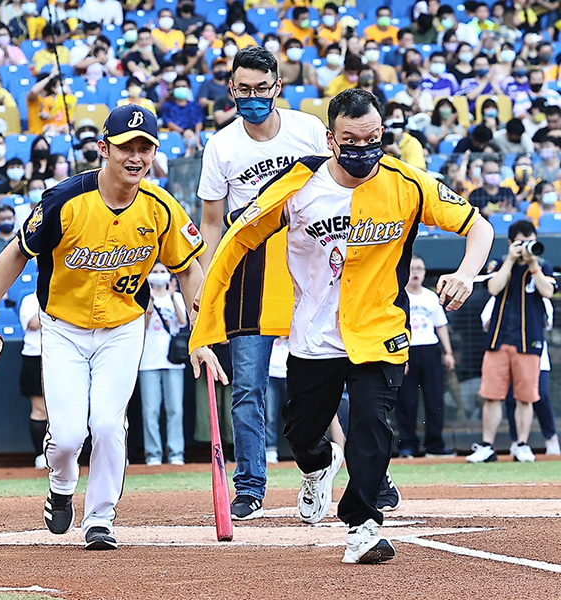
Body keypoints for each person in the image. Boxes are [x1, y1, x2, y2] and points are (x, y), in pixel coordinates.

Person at [190, 88, 493, 563]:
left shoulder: (408, 183)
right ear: (331, 139)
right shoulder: (296, 185)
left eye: (372, 139)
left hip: (379, 328)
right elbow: (237, 239)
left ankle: (362, 526)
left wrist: (466, 273)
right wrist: (208, 304)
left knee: (372, 422)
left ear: (383, 134)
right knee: (302, 433)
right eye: (351, 141)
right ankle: (318, 465)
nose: (363, 149)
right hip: (313, 334)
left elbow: (479, 227)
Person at [0, 105, 225, 550]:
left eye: (145, 148)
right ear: (104, 148)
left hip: (122, 327)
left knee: (106, 424)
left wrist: (200, 334)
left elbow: (188, 269)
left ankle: (100, 518)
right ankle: (61, 486)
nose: (135, 157)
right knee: (67, 437)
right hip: (63, 327)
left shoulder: (160, 207)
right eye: (125, 147)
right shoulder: (64, 199)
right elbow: (16, 252)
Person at [196, 46, 328, 521]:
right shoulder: (221, 146)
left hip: (310, 257)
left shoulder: (308, 129)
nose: (253, 97)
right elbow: (212, 221)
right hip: (250, 265)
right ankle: (250, 486)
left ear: (278, 87)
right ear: (231, 89)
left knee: (330, 375)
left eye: (261, 88)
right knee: (248, 386)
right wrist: (208, 280)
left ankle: (363, 472)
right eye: (244, 89)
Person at [467, 220, 556, 464]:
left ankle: (522, 444)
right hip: (499, 338)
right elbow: (493, 288)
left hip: (529, 341)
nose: (526, 246)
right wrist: (509, 260)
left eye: (531, 241)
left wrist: (533, 264)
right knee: (492, 395)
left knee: (525, 397)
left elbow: (548, 292)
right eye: (521, 243)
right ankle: (487, 446)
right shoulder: (498, 263)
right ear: (510, 242)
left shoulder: (543, 265)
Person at [481, 295, 560, 457]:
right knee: (511, 399)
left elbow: (546, 323)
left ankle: (550, 436)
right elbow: (487, 323)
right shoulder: (500, 295)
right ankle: (516, 440)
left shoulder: (540, 296)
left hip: (533, 353)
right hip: (505, 352)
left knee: (540, 396)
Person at [396, 255, 456, 458]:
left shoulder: (431, 297)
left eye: (419, 269)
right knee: (407, 400)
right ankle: (407, 445)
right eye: (412, 268)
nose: (416, 273)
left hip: (430, 350)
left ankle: (435, 445)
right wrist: (400, 356)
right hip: (407, 351)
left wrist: (448, 352)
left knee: (434, 398)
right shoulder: (399, 297)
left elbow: (441, 325)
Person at [138, 263, 187, 466]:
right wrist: (149, 299)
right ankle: (153, 454)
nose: (158, 275)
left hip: (172, 360)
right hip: (148, 361)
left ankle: (176, 452)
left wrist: (172, 296)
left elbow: (183, 322)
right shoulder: (144, 298)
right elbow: (143, 325)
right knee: (151, 410)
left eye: (162, 272)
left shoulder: (176, 297)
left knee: (175, 409)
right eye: (155, 272)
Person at [18, 291, 47, 469]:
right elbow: (34, 323)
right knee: (40, 409)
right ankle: (41, 454)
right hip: (35, 357)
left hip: (63, 357)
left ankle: (64, 455)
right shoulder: (29, 300)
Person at [265, 336, 288, 464]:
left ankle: (299, 449)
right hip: (271, 374)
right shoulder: (269, 335)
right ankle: (271, 450)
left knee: (295, 414)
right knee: (270, 415)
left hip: (289, 374)